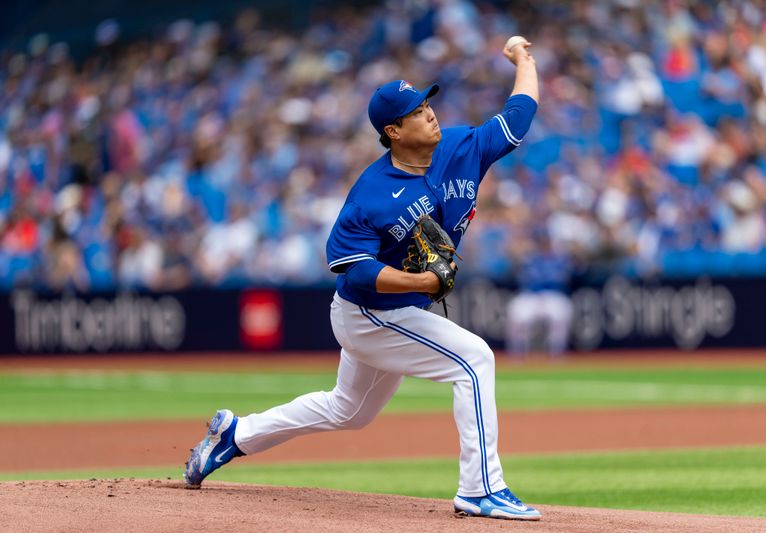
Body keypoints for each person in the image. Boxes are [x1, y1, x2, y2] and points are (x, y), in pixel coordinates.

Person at [184, 37, 541, 521]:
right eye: (416, 111)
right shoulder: (370, 195)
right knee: (474, 360)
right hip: (366, 314)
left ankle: (235, 434)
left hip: (397, 312)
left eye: (427, 103)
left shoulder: (461, 146)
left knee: (348, 411)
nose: (429, 112)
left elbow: (518, 116)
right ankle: (480, 488)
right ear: (393, 130)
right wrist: (422, 284)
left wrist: (524, 61)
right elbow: (354, 268)